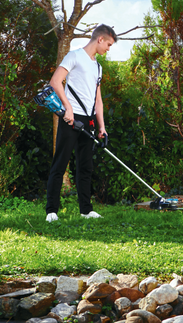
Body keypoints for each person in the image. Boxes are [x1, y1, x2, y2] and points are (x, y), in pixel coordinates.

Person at [45, 24, 117, 222]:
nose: (108, 49)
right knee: (60, 163)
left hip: (89, 121)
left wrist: (101, 127)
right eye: (108, 45)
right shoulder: (74, 56)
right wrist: (67, 107)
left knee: (86, 167)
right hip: (71, 118)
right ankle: (51, 211)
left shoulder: (98, 66)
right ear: (100, 39)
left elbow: (98, 100)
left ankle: (86, 210)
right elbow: (55, 81)